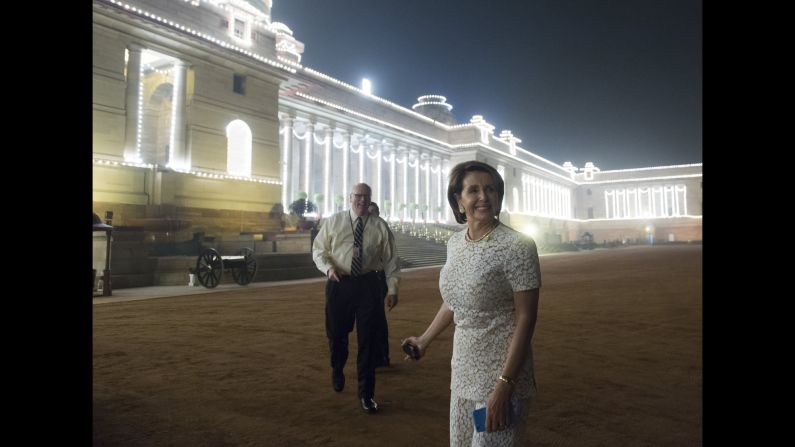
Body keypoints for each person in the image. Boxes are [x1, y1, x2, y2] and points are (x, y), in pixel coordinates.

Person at [401, 160, 542, 445]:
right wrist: (424, 340)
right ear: (458, 200)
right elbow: (455, 301)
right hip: (463, 372)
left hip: (500, 374)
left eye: (490, 189)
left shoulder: (517, 246)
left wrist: (504, 387)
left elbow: (526, 319)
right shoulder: (455, 244)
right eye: (473, 190)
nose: (483, 197)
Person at [312, 183, 400, 414]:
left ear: (370, 199)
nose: (361, 200)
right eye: (357, 196)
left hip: (368, 285)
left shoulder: (380, 226)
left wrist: (392, 289)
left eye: (366, 196)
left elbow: (391, 260)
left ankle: (367, 393)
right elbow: (319, 249)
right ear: (350, 197)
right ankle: (337, 367)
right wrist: (328, 269)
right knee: (337, 334)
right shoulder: (334, 221)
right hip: (339, 282)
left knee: (368, 341)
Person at [367, 201, 391, 368]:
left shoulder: (382, 230)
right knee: (368, 318)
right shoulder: (361, 231)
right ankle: (373, 355)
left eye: (374, 212)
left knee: (377, 317)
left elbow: (390, 259)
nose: (371, 215)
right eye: (369, 213)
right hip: (365, 279)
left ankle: (381, 356)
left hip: (378, 278)